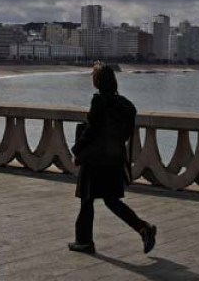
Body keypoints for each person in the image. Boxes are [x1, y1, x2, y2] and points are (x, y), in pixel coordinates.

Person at [69, 64, 156, 255]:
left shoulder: (99, 102)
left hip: (95, 160)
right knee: (111, 200)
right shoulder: (125, 105)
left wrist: (77, 149)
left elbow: (91, 131)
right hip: (114, 159)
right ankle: (143, 228)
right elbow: (123, 133)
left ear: (98, 81)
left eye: (94, 75)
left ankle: (84, 241)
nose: (92, 77)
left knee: (87, 199)